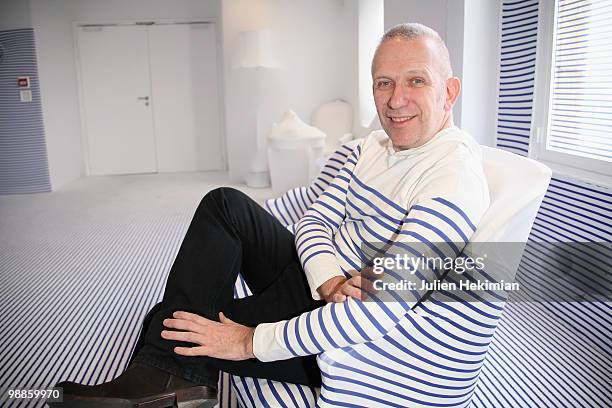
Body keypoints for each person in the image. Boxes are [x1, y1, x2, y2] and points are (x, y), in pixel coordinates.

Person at [50, 22, 489, 407]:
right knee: (226, 204)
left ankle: (166, 382)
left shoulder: (452, 177)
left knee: (172, 321)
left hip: (355, 343)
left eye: (416, 81)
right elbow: (314, 220)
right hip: (323, 283)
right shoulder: (371, 146)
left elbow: (377, 313)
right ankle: (168, 379)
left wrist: (249, 342)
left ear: (449, 91)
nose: (396, 101)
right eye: (383, 83)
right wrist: (328, 279)